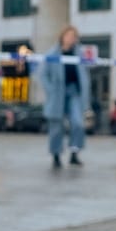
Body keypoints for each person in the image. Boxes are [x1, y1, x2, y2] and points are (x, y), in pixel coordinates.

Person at [38, 26, 89, 170]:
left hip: (74, 92)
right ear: (62, 36)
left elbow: (85, 75)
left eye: (74, 36)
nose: (71, 38)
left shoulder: (79, 54)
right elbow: (42, 75)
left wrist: (85, 93)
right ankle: (56, 155)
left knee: (78, 123)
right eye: (69, 35)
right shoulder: (53, 53)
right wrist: (50, 90)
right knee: (56, 126)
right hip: (57, 93)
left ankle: (74, 152)